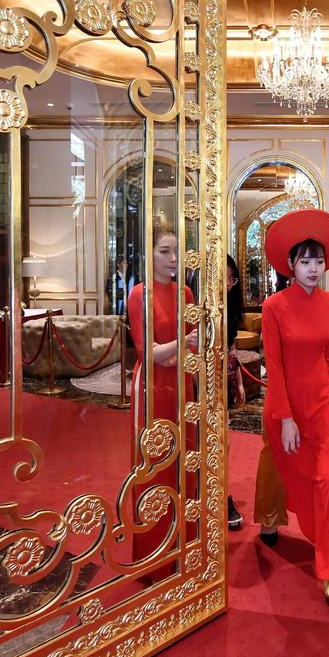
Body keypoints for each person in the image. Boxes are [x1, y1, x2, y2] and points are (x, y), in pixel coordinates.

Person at [259, 208, 329, 624]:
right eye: (305, 261)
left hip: (323, 408)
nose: (314, 268)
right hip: (286, 407)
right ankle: (268, 518)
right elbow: (275, 366)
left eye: (318, 260)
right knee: (278, 460)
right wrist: (284, 417)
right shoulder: (274, 307)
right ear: (290, 265)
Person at [126, 228, 198, 576]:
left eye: (176, 252)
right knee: (156, 463)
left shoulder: (185, 291)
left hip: (183, 380)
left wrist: (178, 348)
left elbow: (191, 341)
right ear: (149, 255)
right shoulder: (139, 294)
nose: (172, 259)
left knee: (186, 459)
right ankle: (153, 552)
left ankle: (184, 542)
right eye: (164, 251)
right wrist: (179, 345)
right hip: (152, 388)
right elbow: (147, 352)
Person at [226, 255, 245, 530]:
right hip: (192, 382)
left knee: (223, 443)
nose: (227, 284)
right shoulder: (195, 303)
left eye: (231, 279)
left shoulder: (231, 308)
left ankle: (222, 494)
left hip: (220, 382)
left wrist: (238, 381)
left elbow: (230, 352)